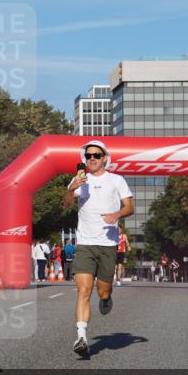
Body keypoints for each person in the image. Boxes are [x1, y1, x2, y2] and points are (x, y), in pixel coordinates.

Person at [64, 139, 134, 358]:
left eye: (96, 155)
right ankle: (81, 337)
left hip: (108, 245)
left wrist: (116, 215)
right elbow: (67, 204)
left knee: (103, 290)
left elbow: (129, 207)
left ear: (104, 158)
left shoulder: (116, 180)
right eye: (88, 156)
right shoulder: (79, 180)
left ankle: (105, 298)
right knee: (84, 290)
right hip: (85, 243)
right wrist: (72, 188)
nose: (92, 159)